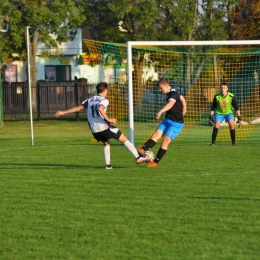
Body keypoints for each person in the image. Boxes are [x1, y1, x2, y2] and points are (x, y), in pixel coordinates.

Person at [55, 82, 150, 169]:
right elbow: (100, 108)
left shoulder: (90, 99)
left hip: (94, 130)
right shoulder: (104, 100)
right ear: (105, 90)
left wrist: (63, 112)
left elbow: (78, 108)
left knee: (107, 143)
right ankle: (138, 157)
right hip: (103, 127)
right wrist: (109, 119)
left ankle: (108, 165)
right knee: (124, 139)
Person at [138, 78, 187, 168]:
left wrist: (160, 111)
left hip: (176, 124)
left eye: (161, 88)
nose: (160, 90)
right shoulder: (172, 92)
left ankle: (155, 162)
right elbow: (183, 100)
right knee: (156, 135)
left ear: (166, 86)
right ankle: (142, 150)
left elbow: (171, 104)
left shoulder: (173, 94)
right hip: (168, 120)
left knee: (164, 142)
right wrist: (184, 110)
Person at [208, 82, 242, 146]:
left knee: (231, 124)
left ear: (227, 89)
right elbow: (213, 107)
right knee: (217, 125)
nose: (223, 89)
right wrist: (211, 116)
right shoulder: (217, 96)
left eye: (224, 88)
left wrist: (239, 117)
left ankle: (233, 143)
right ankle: (213, 143)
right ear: (220, 89)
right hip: (219, 113)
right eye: (221, 88)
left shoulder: (231, 96)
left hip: (228, 113)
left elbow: (236, 107)